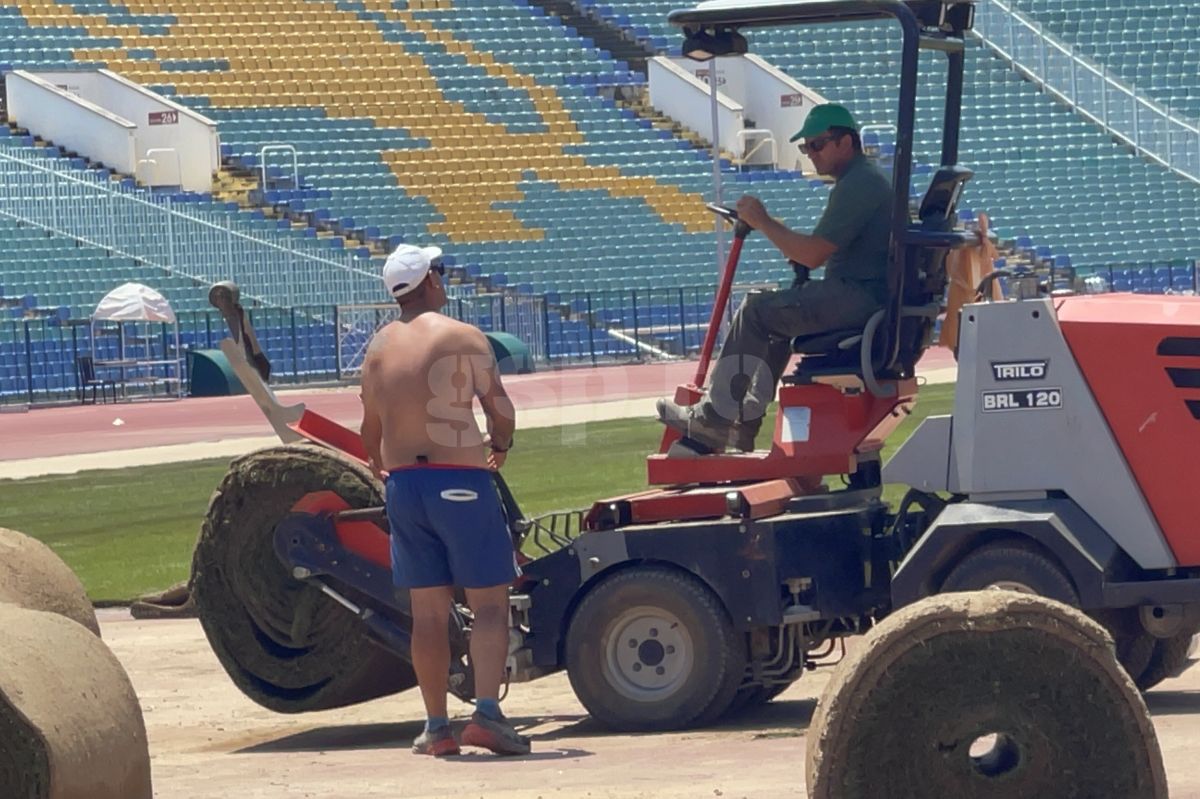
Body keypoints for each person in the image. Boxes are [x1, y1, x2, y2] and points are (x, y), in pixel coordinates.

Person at [359, 243, 530, 757]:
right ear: (430, 281)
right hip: (460, 479)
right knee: (490, 604)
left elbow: (370, 429)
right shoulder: (461, 336)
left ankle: (436, 727)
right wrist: (500, 445)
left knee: (428, 613)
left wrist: (381, 466)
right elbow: (500, 410)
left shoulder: (378, 346)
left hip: (404, 485)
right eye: (441, 270)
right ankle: (487, 716)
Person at [657, 103, 893, 452]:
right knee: (777, 319)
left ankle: (714, 419)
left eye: (817, 145)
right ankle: (741, 425)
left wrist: (764, 222)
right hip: (861, 295)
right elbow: (811, 251)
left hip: (858, 297)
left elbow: (812, 254)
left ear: (846, 142)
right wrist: (775, 231)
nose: (810, 154)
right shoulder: (862, 181)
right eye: (805, 147)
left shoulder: (859, 183)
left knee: (755, 310)